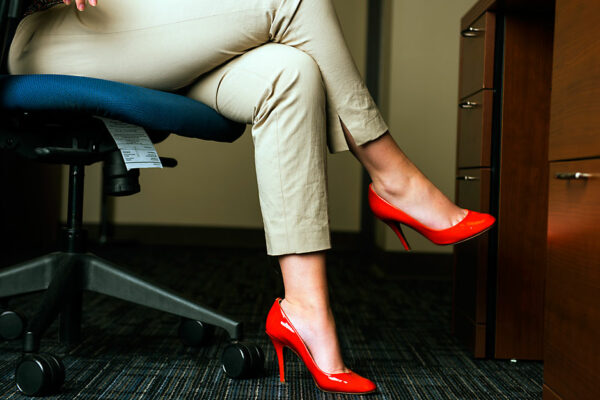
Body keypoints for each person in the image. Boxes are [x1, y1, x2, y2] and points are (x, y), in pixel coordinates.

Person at [9, 0, 495, 394]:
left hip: (152, 29)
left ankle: (303, 307)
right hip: (53, 32)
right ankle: (394, 180)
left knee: (291, 73)